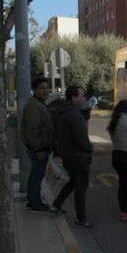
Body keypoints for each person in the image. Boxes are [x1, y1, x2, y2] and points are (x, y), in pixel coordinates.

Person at [50, 85, 94, 227]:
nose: (83, 98)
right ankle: (82, 218)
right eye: (81, 96)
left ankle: (56, 204)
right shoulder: (75, 115)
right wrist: (89, 149)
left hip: (67, 155)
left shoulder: (61, 112)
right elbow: (81, 138)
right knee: (81, 186)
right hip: (77, 156)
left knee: (74, 182)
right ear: (73, 97)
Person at [21, 78, 54, 212]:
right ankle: (35, 203)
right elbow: (32, 130)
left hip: (39, 147)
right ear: (35, 90)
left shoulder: (39, 103)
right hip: (38, 149)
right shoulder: (33, 106)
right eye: (42, 88)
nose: (45, 90)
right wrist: (38, 149)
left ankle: (32, 199)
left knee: (36, 174)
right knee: (37, 176)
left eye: (47, 87)